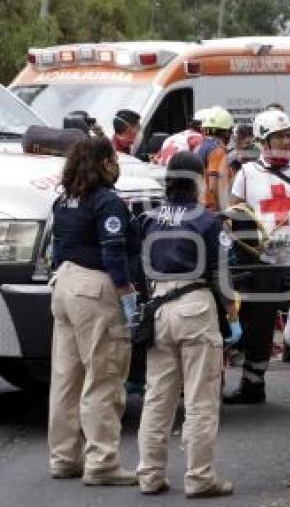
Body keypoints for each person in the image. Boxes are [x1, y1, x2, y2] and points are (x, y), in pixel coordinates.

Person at [135, 151, 238, 498]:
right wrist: (230, 309)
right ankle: (200, 477)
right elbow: (222, 272)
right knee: (200, 398)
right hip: (195, 305)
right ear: (196, 181)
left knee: (157, 397)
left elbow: (139, 267)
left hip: (158, 307)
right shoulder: (208, 221)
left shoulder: (149, 219)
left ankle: (149, 475)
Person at [48, 137, 137, 485]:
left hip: (64, 284)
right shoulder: (107, 202)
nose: (117, 165)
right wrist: (128, 297)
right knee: (104, 375)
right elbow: (114, 254)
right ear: (102, 163)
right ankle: (101, 462)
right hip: (96, 288)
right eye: (113, 159)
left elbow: (56, 249)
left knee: (66, 377)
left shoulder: (65, 200)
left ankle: (64, 457)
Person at [224, 109, 290, 409]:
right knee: (257, 326)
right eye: (277, 136)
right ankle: (252, 386)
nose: (284, 140)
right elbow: (235, 212)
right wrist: (244, 239)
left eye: (287, 135)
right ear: (262, 141)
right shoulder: (246, 173)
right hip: (260, 262)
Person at [197, 106, 234, 212]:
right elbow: (214, 185)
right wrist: (220, 211)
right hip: (211, 209)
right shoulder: (218, 151)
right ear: (226, 132)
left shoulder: (201, 147)